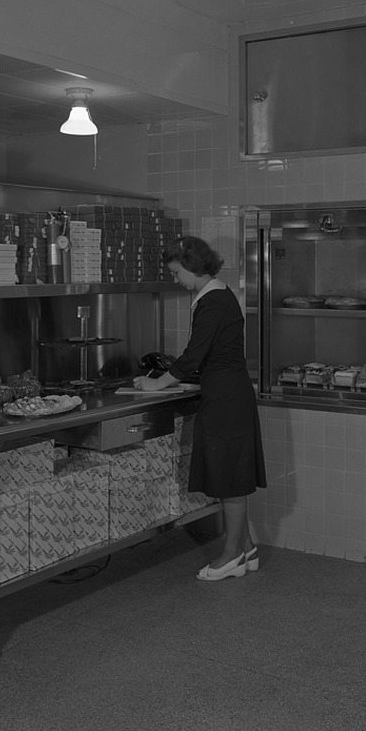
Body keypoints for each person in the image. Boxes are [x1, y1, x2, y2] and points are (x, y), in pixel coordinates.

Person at [132, 236, 267, 581]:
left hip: (225, 398)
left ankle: (230, 556)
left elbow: (194, 355)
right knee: (231, 476)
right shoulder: (217, 296)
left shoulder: (213, 302)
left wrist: (157, 382)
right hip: (229, 392)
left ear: (193, 267)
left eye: (177, 273)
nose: (176, 280)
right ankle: (247, 548)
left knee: (229, 481)